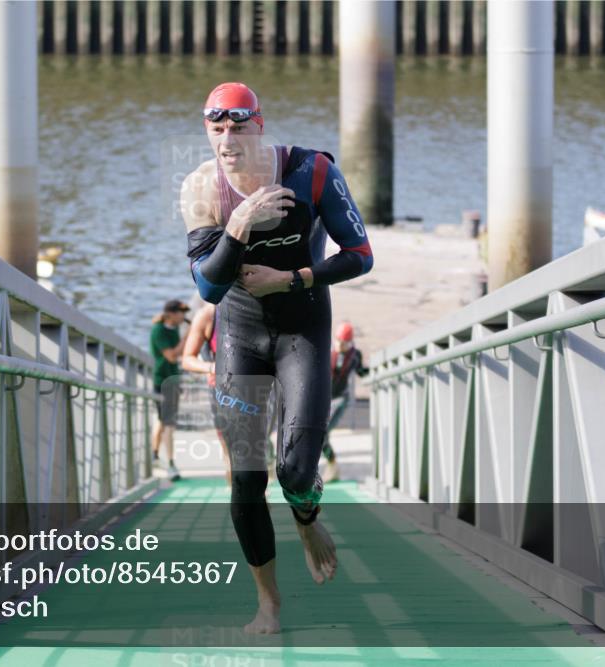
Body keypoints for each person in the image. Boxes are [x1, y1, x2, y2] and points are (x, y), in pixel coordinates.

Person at [179, 82, 374, 634]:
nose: (227, 138)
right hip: (239, 335)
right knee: (245, 479)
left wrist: (292, 278)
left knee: (294, 469)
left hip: (302, 329)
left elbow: (360, 254)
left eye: (238, 126)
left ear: (260, 126)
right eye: (216, 128)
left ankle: (307, 515)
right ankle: (268, 602)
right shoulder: (200, 188)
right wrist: (239, 226)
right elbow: (209, 288)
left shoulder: (312, 172)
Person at [180, 302, 232, 484]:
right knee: (229, 449)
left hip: (259, 389)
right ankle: (238, 494)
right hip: (221, 393)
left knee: (256, 448)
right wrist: (212, 367)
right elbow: (187, 359)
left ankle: (258, 496)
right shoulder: (208, 314)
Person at [321, 321, 369, 484]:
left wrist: (375, 370)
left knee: (323, 433)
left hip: (340, 397)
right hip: (324, 398)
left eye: (344, 343)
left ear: (350, 343)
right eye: (338, 342)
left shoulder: (355, 355)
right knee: (319, 434)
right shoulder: (328, 352)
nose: (340, 346)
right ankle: (331, 465)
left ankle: (333, 466)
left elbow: (362, 372)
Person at [150, 299, 189, 481]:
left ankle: (155, 455)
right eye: (181, 312)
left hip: (172, 381)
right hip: (162, 382)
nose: (184, 316)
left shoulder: (172, 329)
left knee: (162, 420)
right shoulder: (159, 330)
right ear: (171, 313)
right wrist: (188, 336)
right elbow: (172, 357)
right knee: (169, 424)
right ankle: (171, 465)